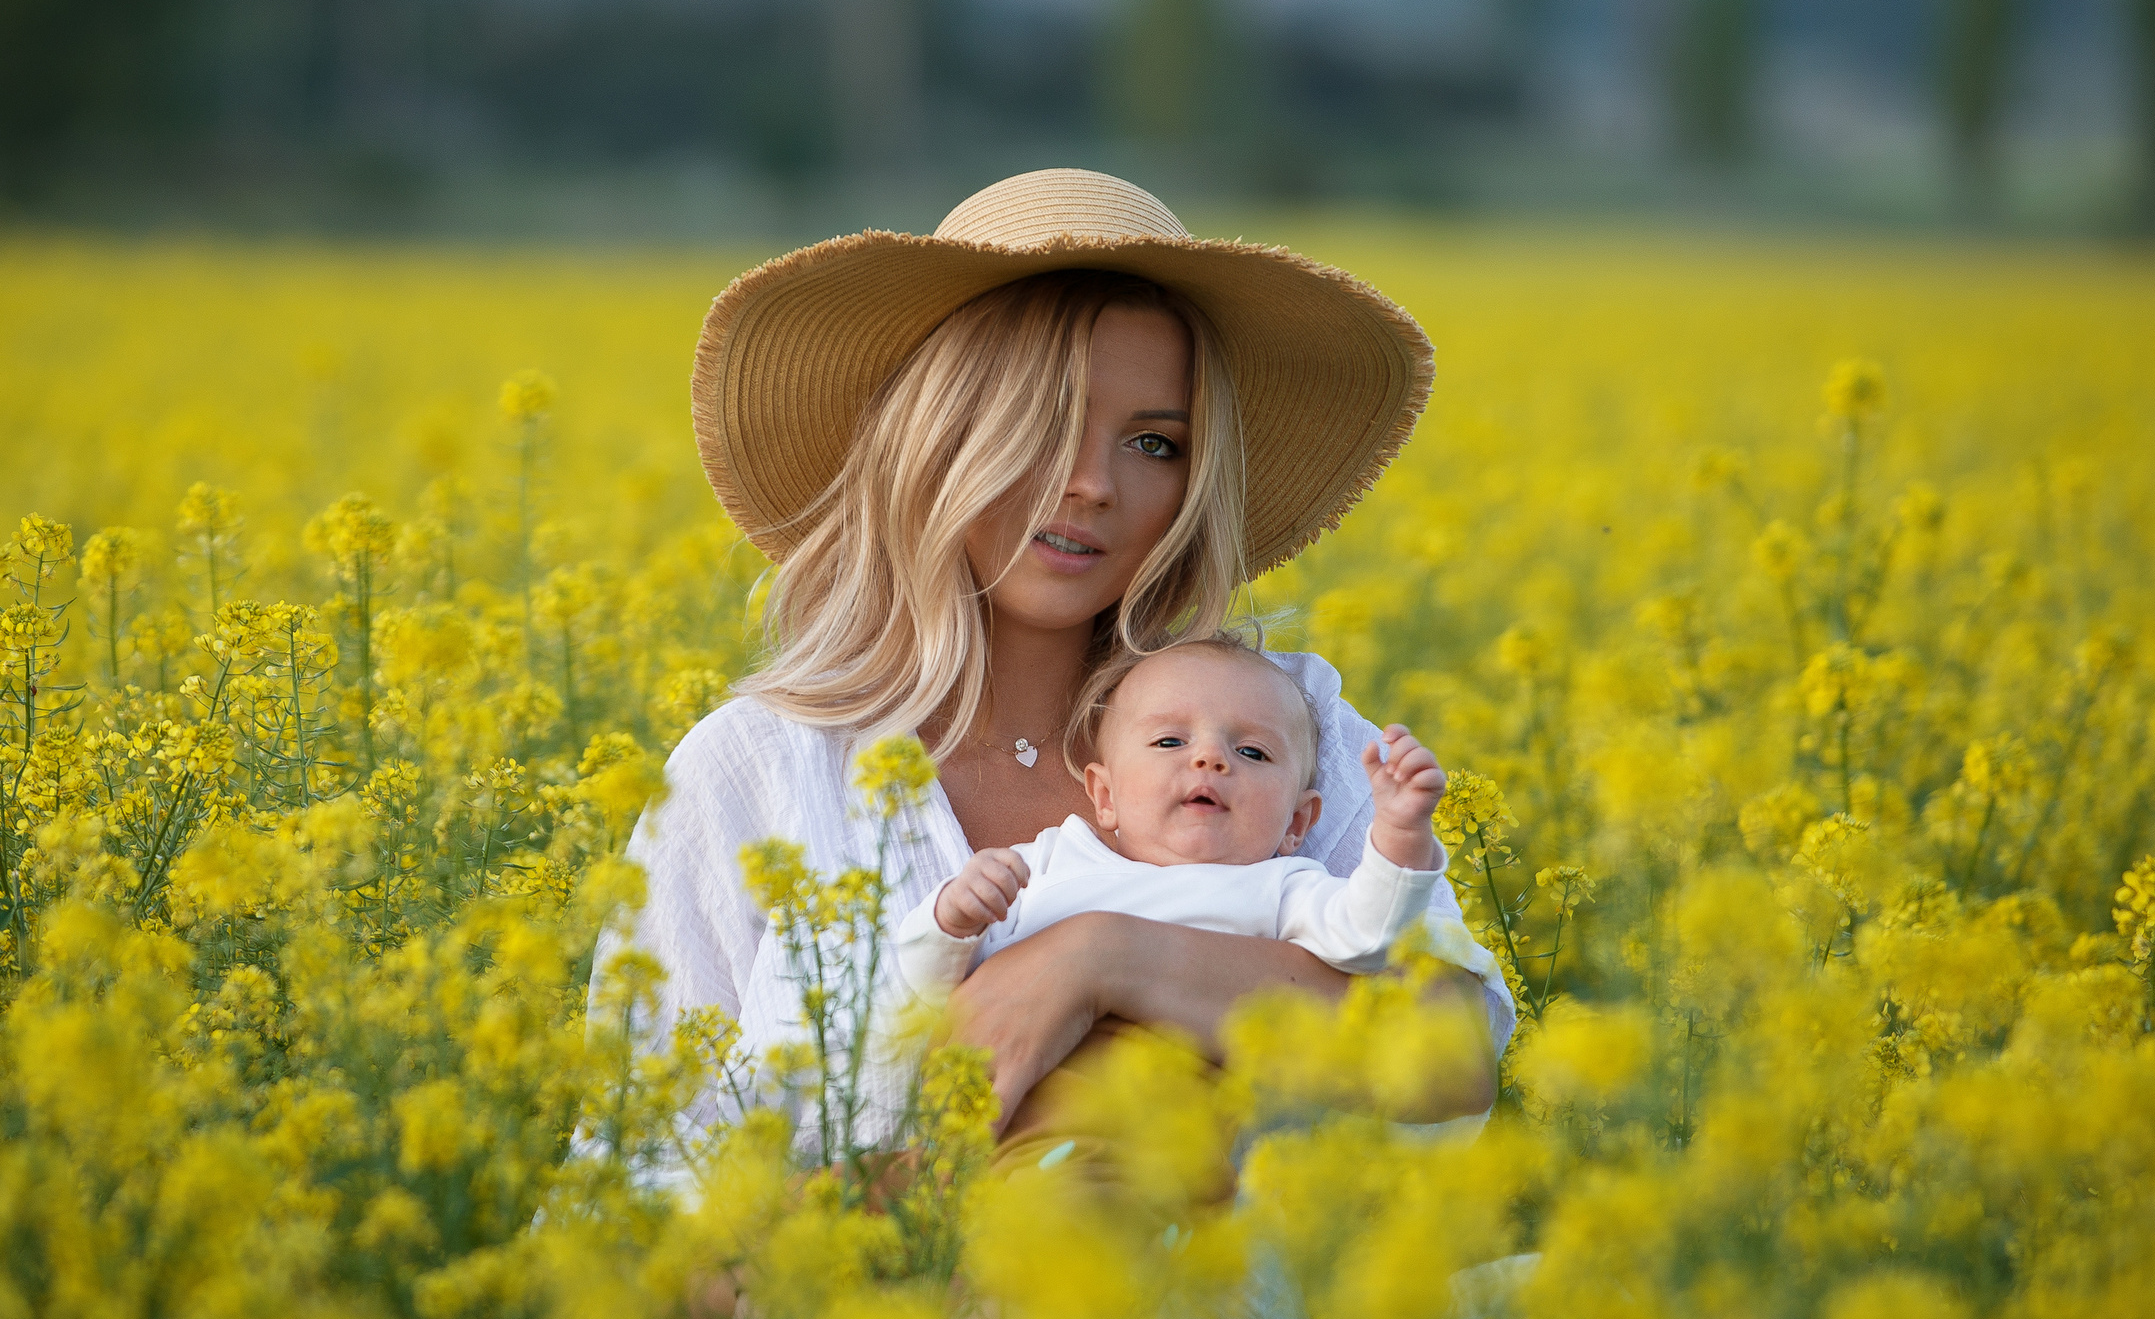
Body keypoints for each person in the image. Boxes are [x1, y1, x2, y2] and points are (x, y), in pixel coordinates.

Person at [592, 168, 1513, 1184]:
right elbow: (631, 1190)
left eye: (1155, 442)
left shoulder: (1276, 725)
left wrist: (1099, 961)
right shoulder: (757, 770)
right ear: (936, 434)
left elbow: (1452, 1052)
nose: (1092, 484)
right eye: (1043, 419)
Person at [893, 633, 1496, 999]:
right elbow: (928, 991)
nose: (1210, 758)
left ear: (1297, 824)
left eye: (1252, 752)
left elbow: (1369, 939)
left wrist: (1398, 835)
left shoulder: (1285, 888)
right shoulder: (1048, 861)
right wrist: (952, 920)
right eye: (1169, 743)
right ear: (1103, 797)